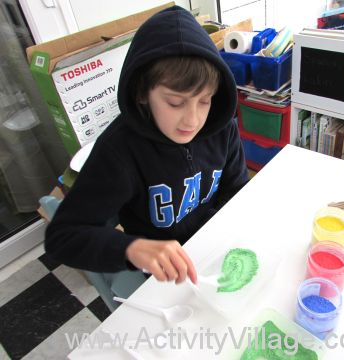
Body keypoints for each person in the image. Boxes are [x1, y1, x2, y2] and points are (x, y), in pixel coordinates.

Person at [45, 6, 249, 286]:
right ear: (142, 92)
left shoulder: (220, 127)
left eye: (204, 100)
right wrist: (131, 248)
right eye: (175, 102)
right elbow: (63, 237)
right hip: (163, 275)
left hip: (213, 252)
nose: (193, 119)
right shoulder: (119, 151)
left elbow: (235, 190)